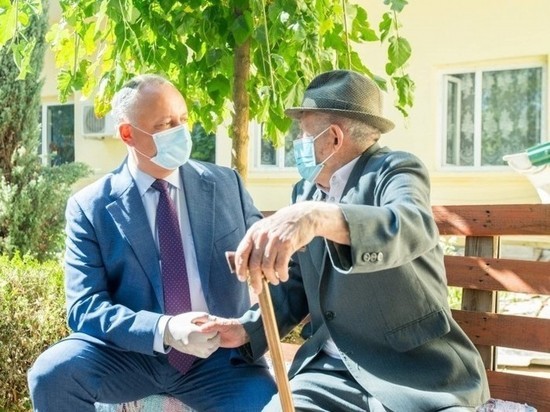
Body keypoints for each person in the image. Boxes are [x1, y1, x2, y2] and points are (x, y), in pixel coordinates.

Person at [202, 70, 491, 411]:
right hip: (330, 374)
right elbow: (297, 283)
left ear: (334, 138)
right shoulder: (306, 192)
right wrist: (246, 330)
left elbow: (411, 226)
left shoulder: (395, 169)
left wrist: (318, 218)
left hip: (418, 374)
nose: (298, 142)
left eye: (303, 132)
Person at [27, 74, 276, 411]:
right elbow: (84, 307)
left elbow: (272, 257)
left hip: (219, 357)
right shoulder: (90, 207)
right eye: (165, 124)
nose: (181, 132)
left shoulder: (226, 184)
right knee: (53, 374)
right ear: (127, 134)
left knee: (263, 398)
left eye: (183, 120)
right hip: (130, 355)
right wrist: (165, 329)